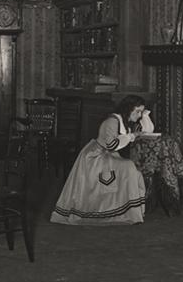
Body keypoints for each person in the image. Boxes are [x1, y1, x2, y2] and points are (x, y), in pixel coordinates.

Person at [50, 95, 150, 225]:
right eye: (137, 111)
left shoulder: (124, 122)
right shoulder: (112, 121)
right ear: (128, 109)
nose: (140, 115)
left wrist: (142, 122)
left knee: (133, 170)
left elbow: (146, 131)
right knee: (129, 166)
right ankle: (120, 211)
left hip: (107, 155)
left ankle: (130, 211)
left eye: (141, 112)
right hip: (96, 157)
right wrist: (131, 136)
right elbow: (112, 145)